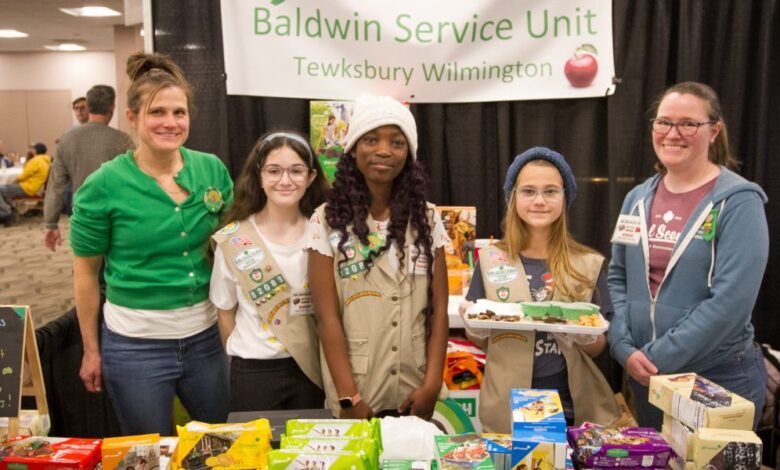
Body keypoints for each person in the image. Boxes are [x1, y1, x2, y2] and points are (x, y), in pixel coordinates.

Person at [69, 52, 233, 435]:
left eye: (179, 112)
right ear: (132, 117)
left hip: (207, 339)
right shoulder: (103, 185)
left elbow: (233, 250)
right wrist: (92, 350)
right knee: (150, 450)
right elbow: (86, 274)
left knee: (226, 444)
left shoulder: (211, 169)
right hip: (135, 346)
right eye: (157, 112)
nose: (170, 123)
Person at [608, 81, 769, 430]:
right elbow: (617, 278)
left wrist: (655, 357)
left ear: (714, 131)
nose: (673, 133)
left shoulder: (739, 202)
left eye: (688, 124)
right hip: (649, 380)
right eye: (664, 121)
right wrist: (622, 345)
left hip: (717, 378)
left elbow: (731, 301)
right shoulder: (636, 199)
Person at [458, 147, 622, 433]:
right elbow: (484, 340)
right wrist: (472, 323)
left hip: (570, 405)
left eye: (550, 191)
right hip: (506, 405)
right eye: (528, 191)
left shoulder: (587, 264)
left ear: (565, 198)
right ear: (514, 198)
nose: (539, 201)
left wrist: (579, 334)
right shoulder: (490, 260)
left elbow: (597, 347)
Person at [307, 95, 449, 419]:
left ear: (408, 154)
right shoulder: (326, 220)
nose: (384, 150)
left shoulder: (427, 219)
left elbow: (439, 309)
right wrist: (348, 397)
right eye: (371, 139)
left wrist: (432, 385)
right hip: (358, 387)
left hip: (413, 386)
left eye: (397, 142)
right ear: (354, 148)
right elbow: (326, 318)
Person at [210, 131, 328, 411]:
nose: (285, 181)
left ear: (310, 178)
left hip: (311, 369)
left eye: (296, 171)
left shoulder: (324, 233)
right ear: (259, 176)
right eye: (274, 171)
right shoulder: (233, 239)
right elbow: (225, 311)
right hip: (253, 372)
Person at [43, 85, 134, 251]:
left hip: (81, 212)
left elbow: (56, 184)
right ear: (112, 108)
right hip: (116, 216)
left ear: (88, 106)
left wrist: (50, 222)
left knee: (85, 262)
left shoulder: (67, 139)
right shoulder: (122, 140)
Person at [0, 142, 51, 226]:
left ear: (36, 150)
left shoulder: (36, 161)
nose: (31, 150)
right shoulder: (44, 160)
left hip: (27, 187)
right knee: (3, 192)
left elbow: (24, 175)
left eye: (33, 149)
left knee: (1, 190)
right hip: (34, 187)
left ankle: (7, 213)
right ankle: (10, 211)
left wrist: (15, 180)